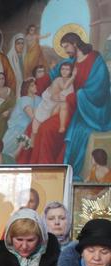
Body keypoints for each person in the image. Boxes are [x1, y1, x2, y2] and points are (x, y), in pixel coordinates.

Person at [26, 33, 111, 175]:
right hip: (67, 106)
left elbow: (101, 87)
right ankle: (39, 170)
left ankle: (49, 171)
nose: (65, 50)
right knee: (34, 127)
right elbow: (52, 75)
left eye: (66, 46)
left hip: (89, 108)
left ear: (75, 43)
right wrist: (33, 84)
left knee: (47, 129)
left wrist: (77, 96)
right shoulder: (69, 62)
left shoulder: (96, 60)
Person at [31, 62, 74, 135]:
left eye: (67, 69)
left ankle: (62, 126)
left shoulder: (71, 84)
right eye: (62, 69)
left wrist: (64, 98)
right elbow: (53, 96)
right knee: (37, 127)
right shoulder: (58, 80)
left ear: (71, 71)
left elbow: (68, 96)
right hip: (49, 103)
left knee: (64, 105)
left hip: (58, 103)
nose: (64, 71)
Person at [2, 78, 41, 158]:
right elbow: (32, 116)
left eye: (35, 85)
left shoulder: (38, 99)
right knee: (8, 151)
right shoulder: (24, 99)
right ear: (27, 88)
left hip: (30, 127)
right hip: (19, 128)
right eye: (32, 86)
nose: (35, 87)